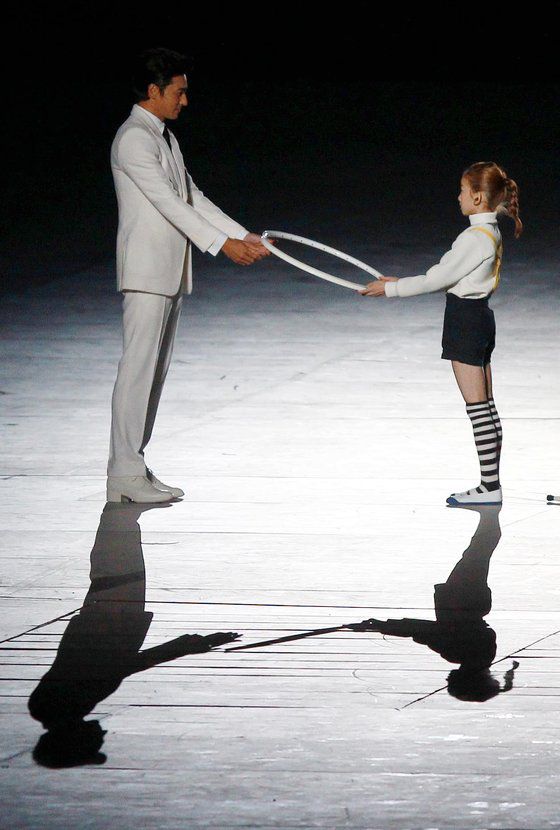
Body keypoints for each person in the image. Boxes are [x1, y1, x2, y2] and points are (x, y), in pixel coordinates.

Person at [107, 48, 270, 504]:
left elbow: (192, 196)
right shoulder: (133, 139)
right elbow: (168, 203)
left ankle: (133, 465)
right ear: (154, 91)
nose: (185, 101)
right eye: (178, 92)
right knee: (137, 371)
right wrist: (223, 245)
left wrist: (244, 235)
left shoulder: (163, 137)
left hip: (169, 270)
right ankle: (123, 473)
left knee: (154, 373)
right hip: (145, 271)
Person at [361, 162, 522, 505]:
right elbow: (444, 273)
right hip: (478, 319)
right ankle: (490, 485)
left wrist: (391, 291)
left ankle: (489, 488)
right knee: (486, 407)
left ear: (478, 198)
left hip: (465, 321)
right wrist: (397, 282)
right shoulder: (488, 233)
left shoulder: (474, 238)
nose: (459, 196)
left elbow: (438, 280)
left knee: (478, 408)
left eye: (463, 191)